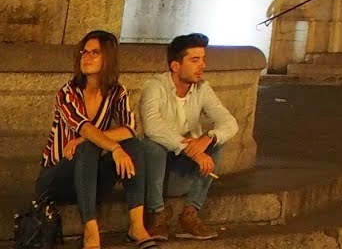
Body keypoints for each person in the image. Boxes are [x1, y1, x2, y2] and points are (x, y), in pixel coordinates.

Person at [35, 29, 158, 249]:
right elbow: (85, 129)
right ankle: (91, 232)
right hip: (56, 180)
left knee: (132, 145)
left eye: (94, 53)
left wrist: (95, 143)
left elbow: (130, 128)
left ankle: (137, 226)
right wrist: (112, 147)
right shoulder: (67, 92)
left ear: (108, 58)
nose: (86, 57)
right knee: (88, 147)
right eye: (84, 52)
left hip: (89, 178)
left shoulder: (117, 92)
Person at [138, 33, 239, 241]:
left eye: (203, 59)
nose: (202, 66)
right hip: (156, 173)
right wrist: (189, 149)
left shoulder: (202, 88)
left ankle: (190, 214)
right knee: (152, 145)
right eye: (195, 60)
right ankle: (156, 214)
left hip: (185, 172)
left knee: (217, 141)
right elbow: (152, 126)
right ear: (175, 66)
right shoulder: (155, 86)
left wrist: (208, 138)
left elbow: (230, 123)